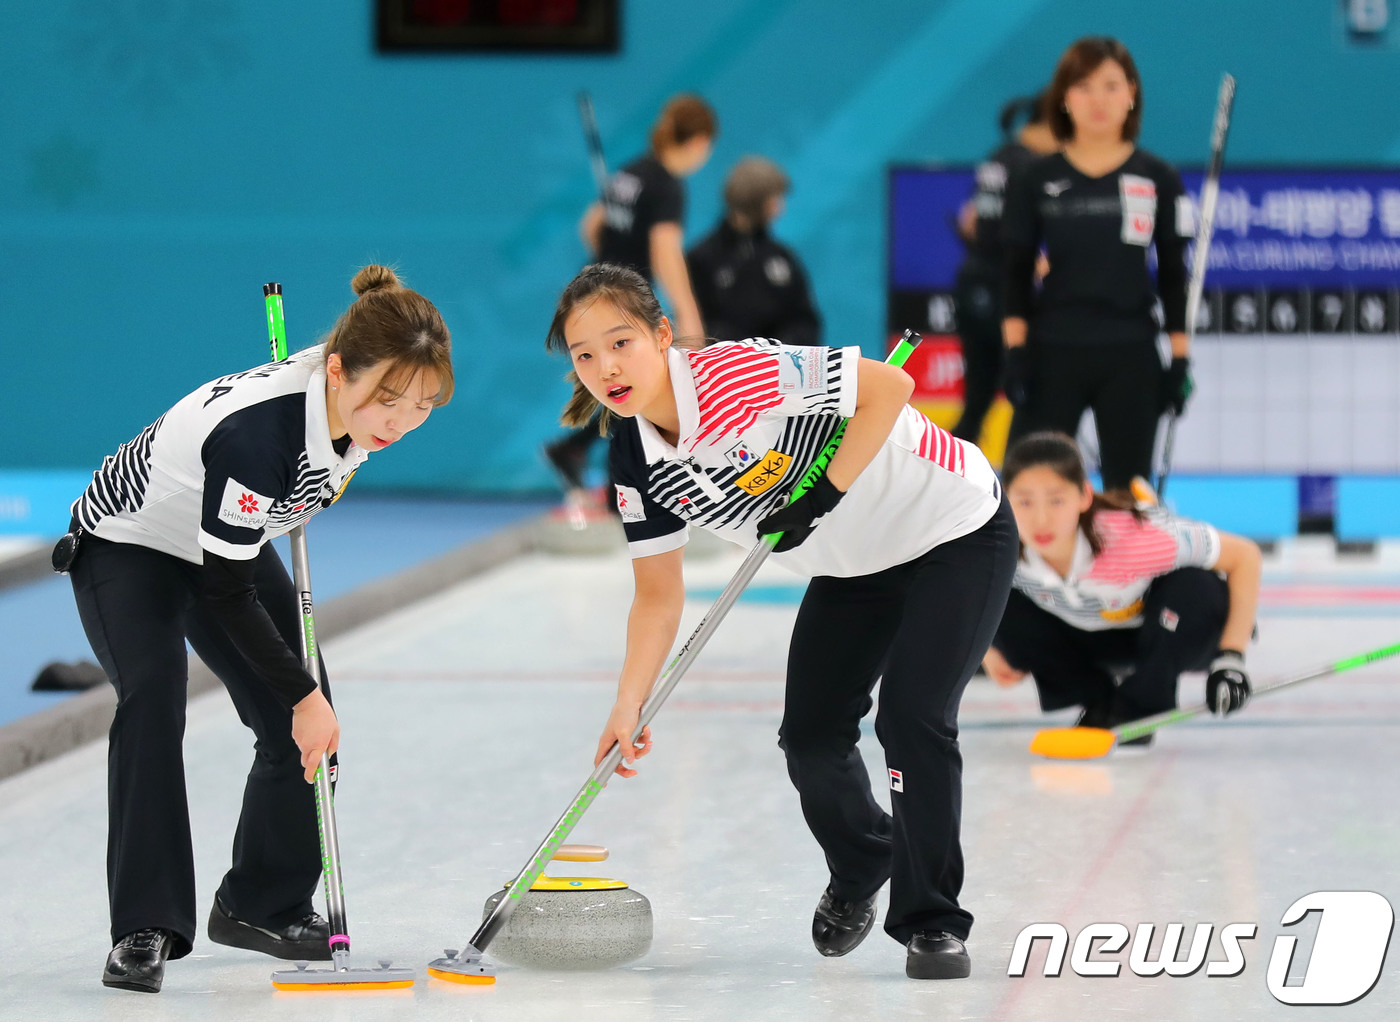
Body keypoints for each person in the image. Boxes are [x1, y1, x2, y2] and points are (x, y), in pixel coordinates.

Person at [547, 263, 1016, 980]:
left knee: (912, 718)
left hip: (952, 528)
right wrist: (627, 702)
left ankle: (932, 920)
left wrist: (822, 493)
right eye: (585, 355)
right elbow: (658, 596)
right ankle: (864, 858)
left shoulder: (736, 374)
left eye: (620, 343)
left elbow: (890, 388)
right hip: (856, 567)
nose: (605, 367)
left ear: (662, 335)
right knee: (810, 738)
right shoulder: (635, 457)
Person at [62, 266, 453, 992]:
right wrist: (301, 695)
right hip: (130, 541)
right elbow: (226, 592)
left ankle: (261, 904)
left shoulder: (351, 393)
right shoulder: (257, 438)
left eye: (423, 406)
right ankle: (144, 925)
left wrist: (302, 699)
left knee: (306, 722)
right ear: (336, 370)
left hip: (223, 543)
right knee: (154, 695)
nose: (400, 422)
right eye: (388, 401)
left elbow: (234, 564)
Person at [1001, 37, 1192, 490]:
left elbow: (1173, 275)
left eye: (1111, 86)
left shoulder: (1157, 177)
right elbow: (1014, 271)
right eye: (1083, 87)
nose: (1098, 100)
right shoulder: (1035, 178)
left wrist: (1180, 360)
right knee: (1036, 485)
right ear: (1064, 99)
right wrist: (1015, 353)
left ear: (1131, 94)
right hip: (1053, 351)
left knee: (1129, 492)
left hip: (1131, 353)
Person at [983, 432, 1260, 742]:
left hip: (1172, 632)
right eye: (1024, 502)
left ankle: (1139, 706)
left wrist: (1231, 658)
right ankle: (1100, 702)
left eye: (1056, 500)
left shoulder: (1134, 537)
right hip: (1097, 636)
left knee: (1193, 583)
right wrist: (987, 652)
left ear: (1084, 496)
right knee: (992, 601)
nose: (1041, 519)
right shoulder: (1000, 549)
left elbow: (1245, 556)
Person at [547, 95, 718, 491]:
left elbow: (591, 225)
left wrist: (608, 260)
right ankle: (613, 477)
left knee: (619, 383)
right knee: (637, 384)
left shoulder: (630, 171)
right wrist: (688, 312)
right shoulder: (667, 186)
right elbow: (665, 252)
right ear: (699, 143)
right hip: (623, 304)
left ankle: (576, 451)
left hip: (591, 293)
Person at [951, 93, 1057, 445]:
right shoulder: (1032, 166)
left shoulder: (999, 156)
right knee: (1027, 391)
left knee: (977, 400)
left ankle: (951, 470)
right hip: (1003, 290)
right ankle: (1020, 470)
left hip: (973, 284)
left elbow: (970, 221)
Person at [686, 156, 822, 347]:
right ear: (755, 202)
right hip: (727, 361)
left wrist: (780, 349)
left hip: (780, 362)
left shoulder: (782, 257)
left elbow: (805, 321)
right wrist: (746, 352)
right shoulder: (701, 259)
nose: (780, 208)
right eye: (774, 200)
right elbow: (695, 325)